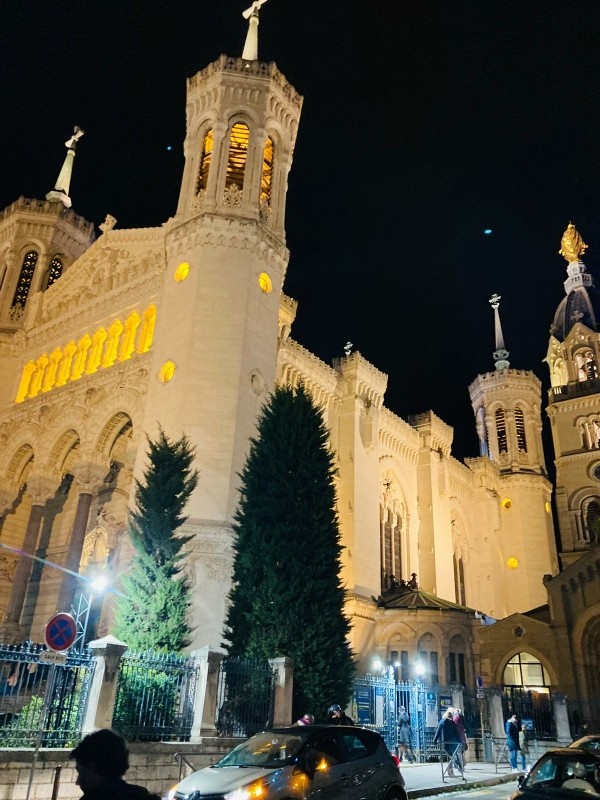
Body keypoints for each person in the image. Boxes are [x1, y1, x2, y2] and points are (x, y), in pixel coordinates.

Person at [71, 729, 161, 800]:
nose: (78, 782)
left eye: (81, 772)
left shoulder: (92, 797)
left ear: (93, 767)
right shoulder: (142, 796)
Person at [433, 708, 462, 776]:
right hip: (453, 743)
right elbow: (456, 733)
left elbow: (438, 732)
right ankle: (452, 770)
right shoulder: (453, 723)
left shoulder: (442, 722)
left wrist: (435, 740)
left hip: (445, 742)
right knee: (452, 757)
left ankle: (451, 770)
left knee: (450, 757)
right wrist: (459, 741)